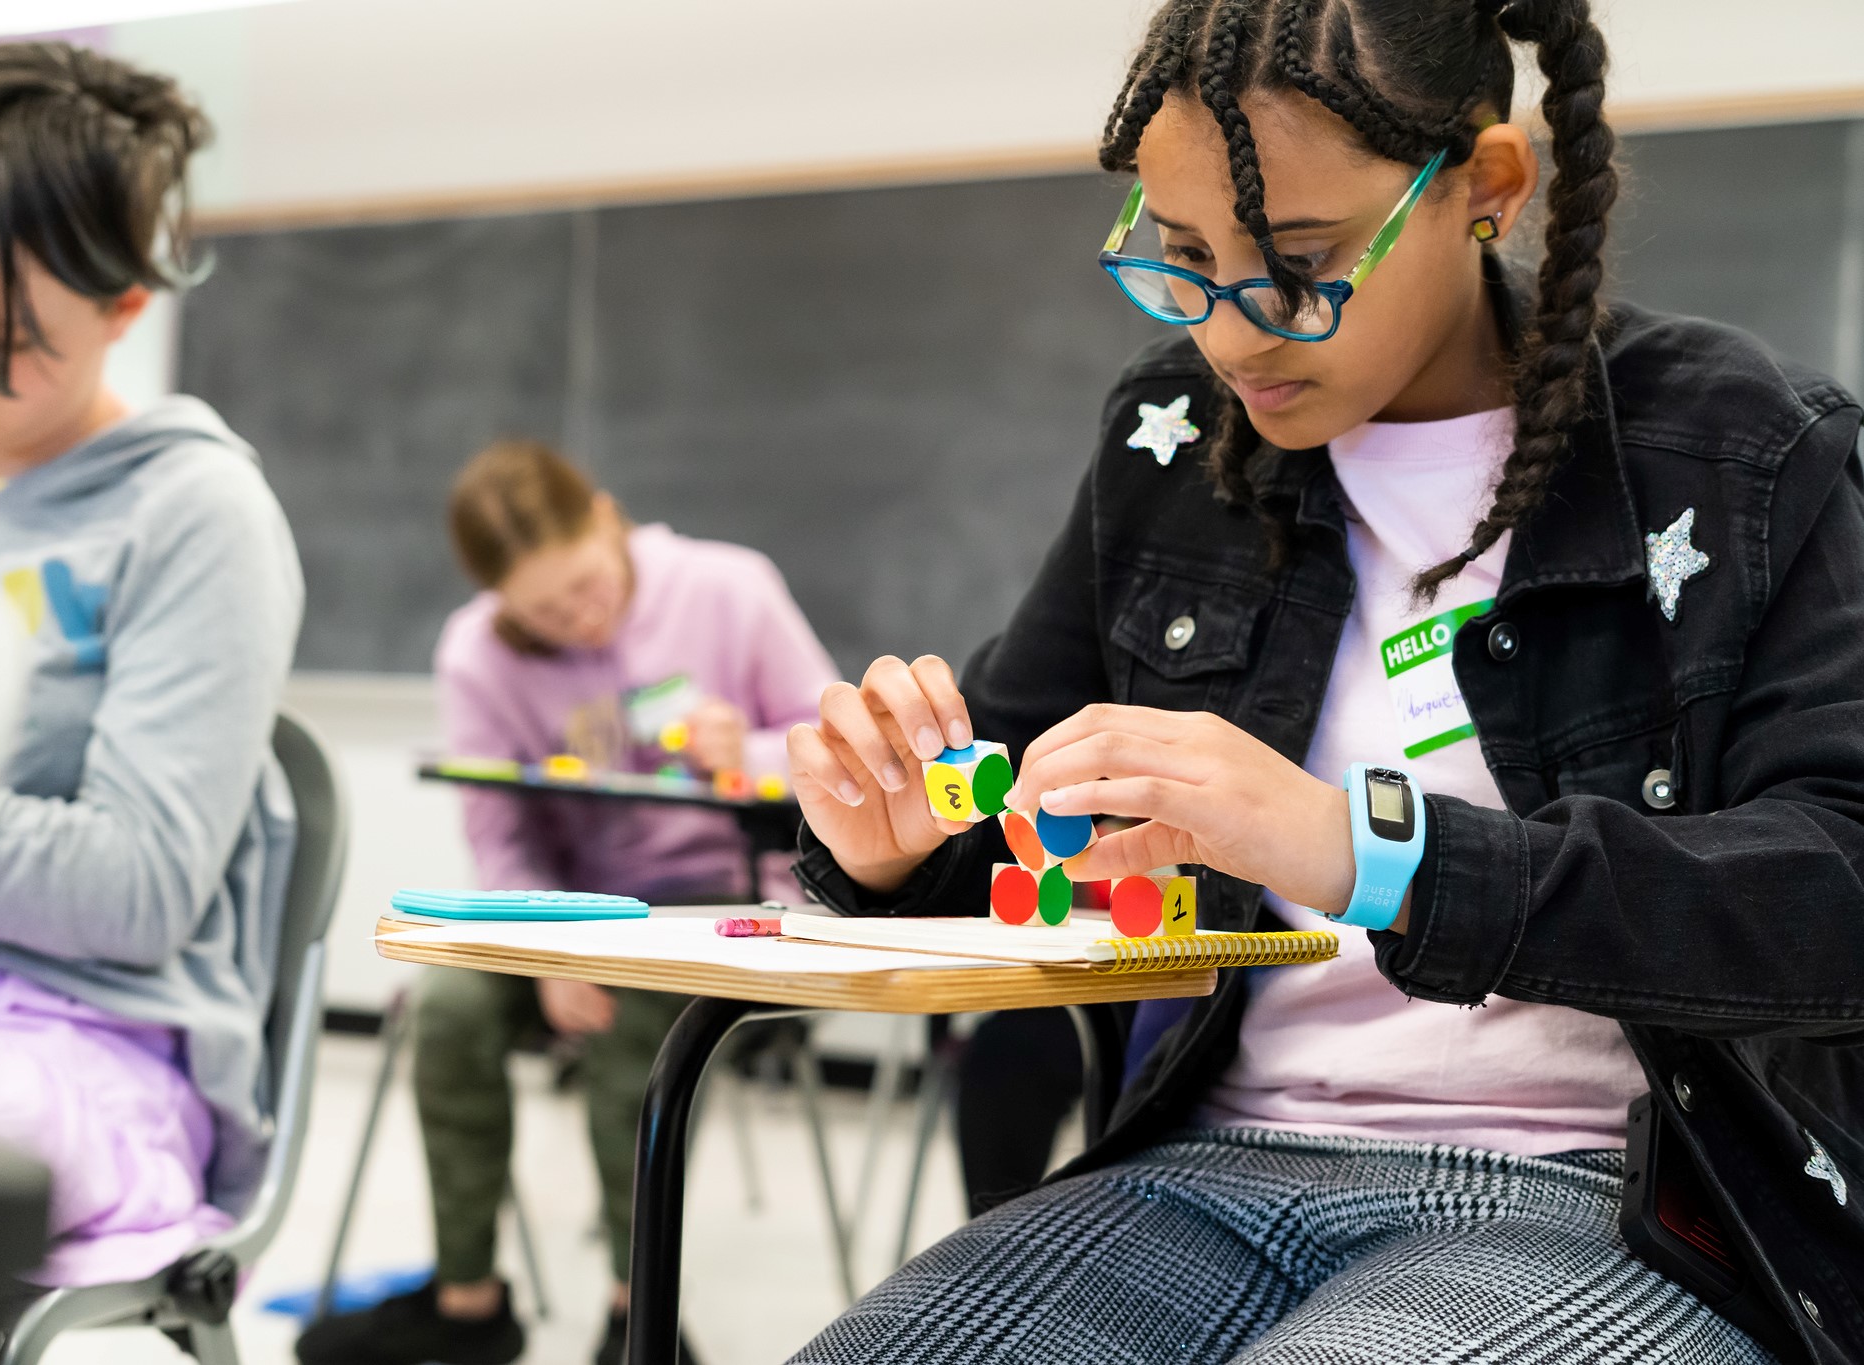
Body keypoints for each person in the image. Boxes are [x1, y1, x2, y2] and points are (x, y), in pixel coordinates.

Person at [785, 1, 1864, 1360]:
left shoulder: (1737, 449)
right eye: (1181, 258)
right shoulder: (1167, 444)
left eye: (1297, 266)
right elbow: (1011, 808)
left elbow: (1834, 884)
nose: (1232, 337)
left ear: (1483, 187)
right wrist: (889, 843)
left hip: (1598, 1190)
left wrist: (1363, 849)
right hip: (1205, 1165)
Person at [0, 43, 302, 1288]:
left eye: (6, 337)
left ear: (123, 312)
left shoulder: (193, 516)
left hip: (80, 1035)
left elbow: (131, 893)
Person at [299, 440, 837, 1365]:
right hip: (579, 909)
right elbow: (501, 836)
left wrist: (744, 750)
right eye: (546, 610)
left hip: (729, 901)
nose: (581, 622)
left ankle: (640, 1311)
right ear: (500, 601)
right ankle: (467, 1302)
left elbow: (835, 747)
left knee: (638, 1022)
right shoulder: (476, 653)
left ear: (605, 517)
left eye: (588, 587)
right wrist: (545, 948)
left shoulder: (730, 588)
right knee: (448, 1004)